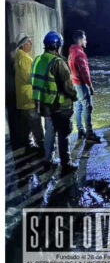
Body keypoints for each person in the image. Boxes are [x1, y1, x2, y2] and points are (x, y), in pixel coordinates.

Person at [31, 31, 78, 174]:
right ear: (57, 45)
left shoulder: (38, 59)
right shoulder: (58, 62)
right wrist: (75, 96)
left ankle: (48, 160)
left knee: (49, 133)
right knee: (63, 135)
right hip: (60, 106)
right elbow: (68, 87)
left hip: (45, 104)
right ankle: (66, 163)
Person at [14, 34, 44, 154]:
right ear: (24, 44)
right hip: (29, 97)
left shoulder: (18, 56)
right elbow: (28, 78)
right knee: (35, 123)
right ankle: (42, 146)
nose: (31, 44)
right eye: (29, 42)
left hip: (22, 97)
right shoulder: (25, 59)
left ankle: (29, 145)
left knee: (25, 124)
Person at [68, 30, 100, 143]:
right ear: (81, 39)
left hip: (75, 83)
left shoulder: (71, 52)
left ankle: (80, 130)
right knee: (87, 107)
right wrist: (90, 86)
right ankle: (89, 133)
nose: (86, 41)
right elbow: (85, 73)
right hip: (81, 84)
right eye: (85, 39)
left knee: (78, 106)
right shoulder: (79, 54)